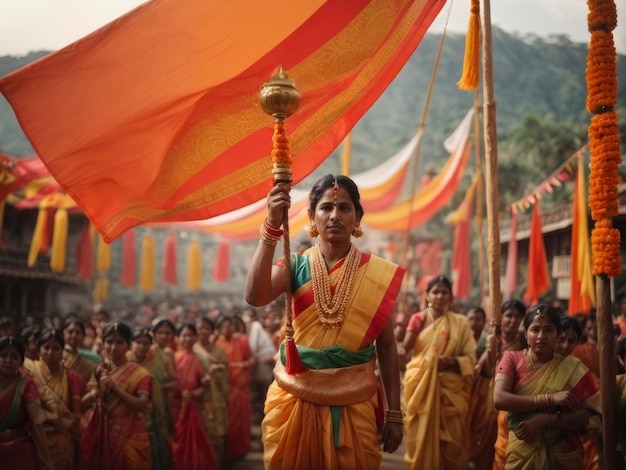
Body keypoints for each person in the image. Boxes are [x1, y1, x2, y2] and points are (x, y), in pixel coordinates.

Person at [245, 174, 405, 469]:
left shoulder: (377, 275)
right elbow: (255, 296)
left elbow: (387, 348)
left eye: (344, 208)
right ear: (311, 215)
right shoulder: (295, 266)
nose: (335, 216)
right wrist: (271, 226)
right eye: (326, 207)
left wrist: (394, 414)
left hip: (354, 403)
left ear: (358, 217)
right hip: (295, 398)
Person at [493, 304, 599, 469]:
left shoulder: (572, 367)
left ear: (557, 334)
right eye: (535, 329)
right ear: (526, 335)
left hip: (562, 454)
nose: (541, 336)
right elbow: (499, 399)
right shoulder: (511, 359)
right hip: (521, 454)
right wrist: (548, 399)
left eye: (548, 330)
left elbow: (585, 416)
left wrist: (547, 420)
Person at [401, 275, 476, 470]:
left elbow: (470, 358)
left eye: (444, 292)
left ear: (451, 296)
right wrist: (405, 325)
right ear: (427, 295)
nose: (440, 296)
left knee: (453, 443)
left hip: (451, 392)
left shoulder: (460, 323)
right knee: (420, 436)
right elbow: (406, 348)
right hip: (420, 387)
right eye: (435, 292)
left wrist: (452, 361)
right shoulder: (418, 318)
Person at [81, 321, 152, 469]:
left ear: (128, 344)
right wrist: (97, 392)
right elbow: (82, 404)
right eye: (109, 341)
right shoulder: (100, 369)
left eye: (119, 342)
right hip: (99, 431)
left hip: (129, 434)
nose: (113, 347)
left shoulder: (140, 373)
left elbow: (143, 405)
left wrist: (115, 388)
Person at [26, 328, 86, 469]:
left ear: (62, 352)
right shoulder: (29, 373)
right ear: (39, 351)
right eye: (46, 347)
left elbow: (76, 416)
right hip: (34, 440)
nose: (50, 352)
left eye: (55, 348)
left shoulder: (72, 378)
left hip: (61, 445)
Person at [0, 335, 54, 469]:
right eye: (3, 355)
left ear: (21, 361)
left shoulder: (26, 387)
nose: (8, 360)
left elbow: (37, 425)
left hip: (18, 451)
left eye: (13, 357)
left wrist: (45, 461)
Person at [128, 326, 174, 470]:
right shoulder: (123, 360)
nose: (142, 346)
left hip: (154, 415)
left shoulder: (161, 359)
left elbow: (174, 382)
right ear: (131, 343)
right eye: (138, 342)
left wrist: (155, 388)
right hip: (128, 415)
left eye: (146, 343)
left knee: (155, 452)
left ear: (150, 345)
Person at [172, 323, 216, 469]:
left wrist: (193, 394)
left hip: (190, 406)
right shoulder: (170, 358)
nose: (187, 338)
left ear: (195, 338)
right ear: (177, 338)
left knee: (189, 441)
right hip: (171, 406)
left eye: (190, 335)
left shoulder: (198, 359)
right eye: (184, 335)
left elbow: (205, 385)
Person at [214, 315, 254, 463]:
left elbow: (251, 359)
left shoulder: (242, 341)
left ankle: (240, 451)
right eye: (224, 326)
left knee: (241, 421)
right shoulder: (215, 345)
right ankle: (227, 453)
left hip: (240, 388)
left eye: (230, 325)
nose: (228, 328)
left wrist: (243, 366)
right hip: (224, 390)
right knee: (226, 423)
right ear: (218, 329)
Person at [193, 316, 229, 466]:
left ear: (212, 331)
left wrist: (213, 373)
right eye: (200, 328)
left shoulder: (218, 351)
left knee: (216, 433)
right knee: (196, 432)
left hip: (215, 398)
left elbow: (224, 373)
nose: (202, 331)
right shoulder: (192, 350)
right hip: (196, 397)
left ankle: (216, 464)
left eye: (206, 328)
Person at [62, 317, 100, 385]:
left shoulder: (89, 365)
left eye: (78, 333)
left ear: (83, 336)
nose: (74, 336)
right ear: (63, 333)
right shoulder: (56, 355)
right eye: (70, 332)